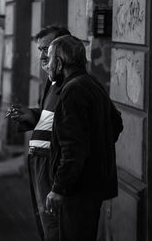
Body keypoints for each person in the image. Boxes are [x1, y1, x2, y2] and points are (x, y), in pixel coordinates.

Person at [45, 35, 123, 241]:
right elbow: (116, 123)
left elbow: (73, 148)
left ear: (60, 63)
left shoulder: (72, 91)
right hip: (92, 185)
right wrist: (98, 149)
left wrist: (59, 188)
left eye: (50, 60)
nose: (47, 66)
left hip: (78, 189)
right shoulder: (91, 83)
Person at [7, 26, 71, 241]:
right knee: (45, 221)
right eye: (40, 50)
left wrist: (60, 185)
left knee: (55, 225)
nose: (43, 56)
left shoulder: (73, 85)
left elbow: (74, 137)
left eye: (47, 49)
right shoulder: (52, 80)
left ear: (62, 50)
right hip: (41, 162)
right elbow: (52, 117)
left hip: (53, 164)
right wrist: (31, 115)